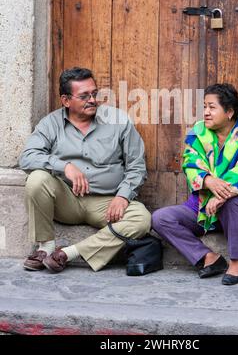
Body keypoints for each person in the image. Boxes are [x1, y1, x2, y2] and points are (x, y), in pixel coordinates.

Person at [19, 67, 151, 273]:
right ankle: (45, 247)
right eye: (84, 96)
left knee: (142, 218)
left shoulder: (118, 120)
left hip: (107, 203)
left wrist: (123, 197)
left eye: (94, 93)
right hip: (67, 200)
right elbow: (27, 158)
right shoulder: (51, 123)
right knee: (36, 179)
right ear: (66, 101)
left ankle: (69, 253)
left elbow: (137, 166)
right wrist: (65, 166)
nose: (92, 100)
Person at [152, 83, 238, 285]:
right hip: (204, 204)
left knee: (233, 202)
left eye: (212, 107)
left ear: (229, 112)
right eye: (204, 106)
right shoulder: (199, 132)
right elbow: (190, 162)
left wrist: (221, 195)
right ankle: (209, 258)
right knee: (161, 218)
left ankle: (237, 262)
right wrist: (208, 180)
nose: (206, 112)